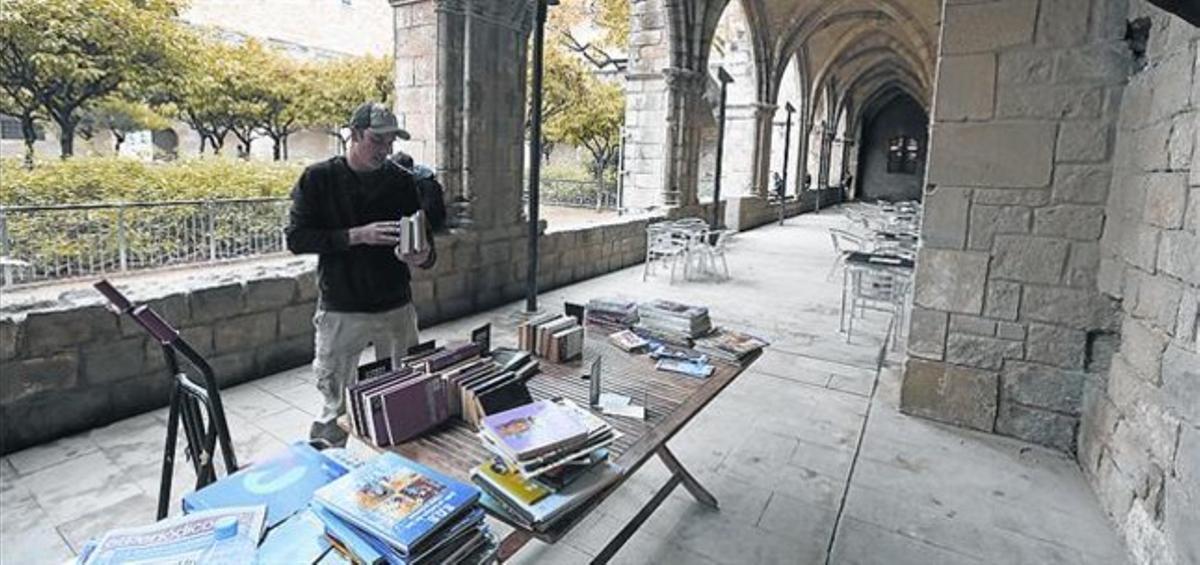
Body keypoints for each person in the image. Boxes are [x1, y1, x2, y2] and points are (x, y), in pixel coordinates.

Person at [285, 101, 437, 447]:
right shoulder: (319, 178)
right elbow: (296, 238)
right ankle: (328, 472)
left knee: (405, 397)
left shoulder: (402, 181)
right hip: (342, 306)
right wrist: (356, 235)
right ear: (353, 134)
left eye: (390, 142)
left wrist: (422, 255)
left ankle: (401, 475)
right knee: (335, 408)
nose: (384, 150)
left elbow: (426, 243)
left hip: (397, 305)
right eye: (376, 140)